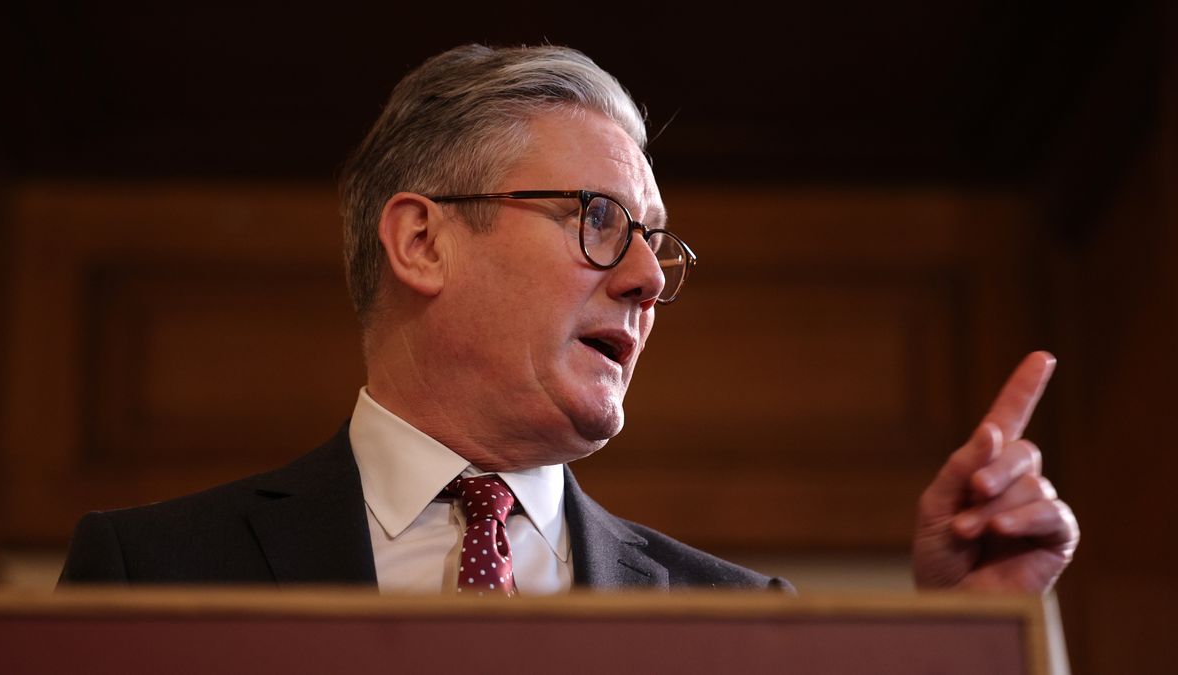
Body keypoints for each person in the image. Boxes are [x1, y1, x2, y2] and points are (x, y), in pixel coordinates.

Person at [59, 44, 1078, 595]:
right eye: (598, 220)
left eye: (656, 241)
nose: (646, 278)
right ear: (421, 242)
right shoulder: (154, 570)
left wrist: (970, 644)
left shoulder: (731, 623)